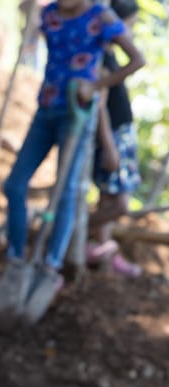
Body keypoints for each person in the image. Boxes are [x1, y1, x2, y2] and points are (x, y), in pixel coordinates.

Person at [0, 0, 144, 311]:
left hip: (77, 114)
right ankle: (15, 262)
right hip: (45, 111)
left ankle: (50, 267)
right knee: (14, 185)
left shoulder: (100, 17)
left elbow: (137, 60)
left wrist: (94, 86)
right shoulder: (49, 14)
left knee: (66, 192)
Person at [86, 0, 143, 278]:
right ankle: (81, 230)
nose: (131, 31)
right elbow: (99, 106)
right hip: (114, 138)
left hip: (121, 135)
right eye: (130, 25)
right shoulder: (102, 60)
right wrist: (108, 146)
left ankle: (102, 248)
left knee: (108, 199)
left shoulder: (108, 56)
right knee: (119, 204)